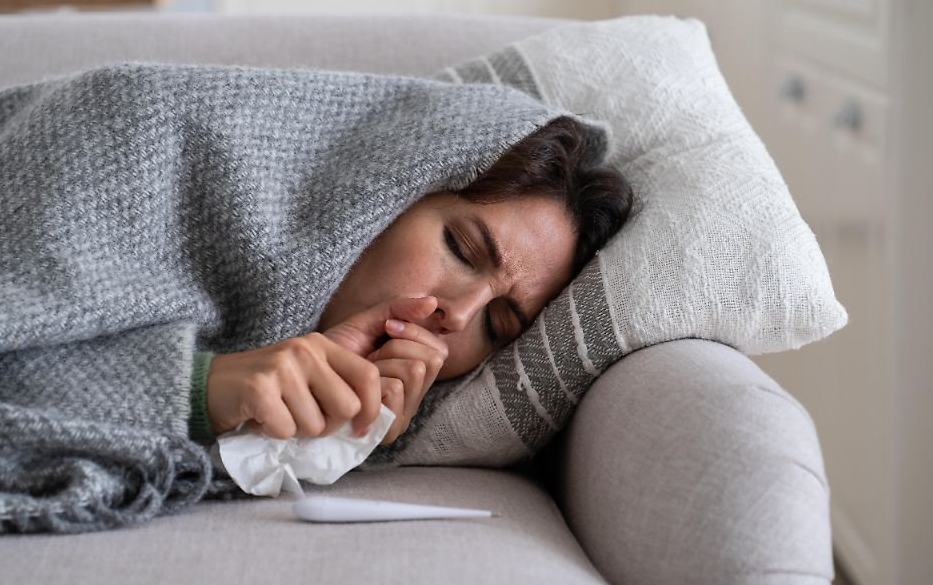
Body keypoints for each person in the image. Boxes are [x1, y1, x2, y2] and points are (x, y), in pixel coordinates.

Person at [190, 115, 633, 448]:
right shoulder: (195, 150)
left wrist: (345, 440)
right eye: (461, 249)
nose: (459, 316)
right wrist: (198, 389)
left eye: (496, 324)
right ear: (395, 188)